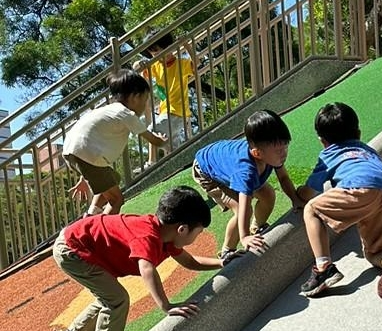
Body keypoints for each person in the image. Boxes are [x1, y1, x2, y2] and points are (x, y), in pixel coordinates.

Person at [50, 186, 232, 331]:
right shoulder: (147, 236)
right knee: (117, 299)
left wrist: (223, 262)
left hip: (78, 246)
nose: (197, 237)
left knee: (109, 298)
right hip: (73, 249)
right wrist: (166, 306)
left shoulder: (166, 238)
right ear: (182, 229)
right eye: (198, 232)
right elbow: (146, 268)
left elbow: (191, 262)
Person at [296, 103, 382, 299]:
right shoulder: (367, 150)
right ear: (358, 133)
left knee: (311, 209)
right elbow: (375, 177)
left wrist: (298, 193)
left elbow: (309, 192)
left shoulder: (328, 155)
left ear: (322, 141)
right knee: (375, 251)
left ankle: (323, 267)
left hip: (360, 189)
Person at [191, 110, 303, 259]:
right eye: (279, 150)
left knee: (268, 194)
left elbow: (283, 178)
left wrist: (295, 199)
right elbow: (245, 203)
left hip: (225, 159)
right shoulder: (246, 171)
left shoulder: (271, 155)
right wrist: (244, 237)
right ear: (257, 153)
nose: (284, 153)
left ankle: (257, 227)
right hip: (206, 170)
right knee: (240, 208)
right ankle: (227, 250)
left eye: (285, 145)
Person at [63, 70, 168, 216]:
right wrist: (163, 141)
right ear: (134, 97)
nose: (145, 107)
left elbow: (86, 142)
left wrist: (83, 177)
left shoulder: (108, 110)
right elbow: (153, 140)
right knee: (116, 200)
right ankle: (96, 231)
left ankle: (93, 213)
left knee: (113, 179)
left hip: (71, 151)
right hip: (88, 154)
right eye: (144, 101)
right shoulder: (127, 114)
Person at [138, 32, 196, 164]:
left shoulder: (180, 64)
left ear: (169, 47)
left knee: (152, 130)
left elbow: (195, 64)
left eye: (158, 51)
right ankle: (184, 160)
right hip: (166, 111)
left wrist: (187, 46)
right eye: (152, 53)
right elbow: (142, 74)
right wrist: (139, 65)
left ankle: (151, 162)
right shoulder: (156, 66)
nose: (156, 56)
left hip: (178, 111)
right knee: (171, 145)